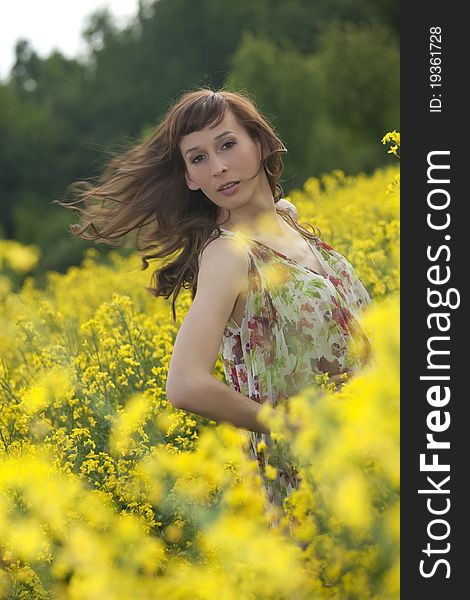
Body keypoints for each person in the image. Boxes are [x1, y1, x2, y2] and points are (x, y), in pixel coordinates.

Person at [55, 87, 372, 531]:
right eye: (198, 158)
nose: (218, 166)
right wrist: (285, 427)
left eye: (227, 144)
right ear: (189, 177)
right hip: (317, 476)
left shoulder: (287, 221)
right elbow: (184, 384)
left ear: (260, 143)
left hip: (372, 448)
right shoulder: (228, 257)